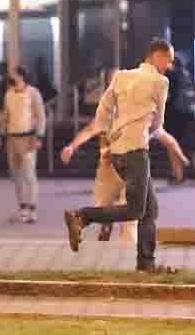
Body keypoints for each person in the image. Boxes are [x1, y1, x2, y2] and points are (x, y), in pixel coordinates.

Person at [62, 39, 174, 273]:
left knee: (149, 208)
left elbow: (103, 110)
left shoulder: (121, 76)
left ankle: (146, 264)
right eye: (169, 60)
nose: (170, 66)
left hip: (117, 152)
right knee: (136, 210)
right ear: (157, 56)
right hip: (136, 151)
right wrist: (144, 131)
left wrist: (111, 134)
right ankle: (82, 217)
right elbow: (158, 124)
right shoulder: (160, 82)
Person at [0, 65, 46, 224]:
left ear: (21, 75)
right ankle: (22, 208)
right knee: (16, 175)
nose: (10, 76)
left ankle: (32, 209)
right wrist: (0, 136)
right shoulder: (9, 94)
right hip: (12, 138)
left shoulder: (33, 93)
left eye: (13, 74)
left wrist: (39, 137)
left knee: (29, 173)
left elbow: (41, 116)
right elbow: (5, 117)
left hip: (27, 138)